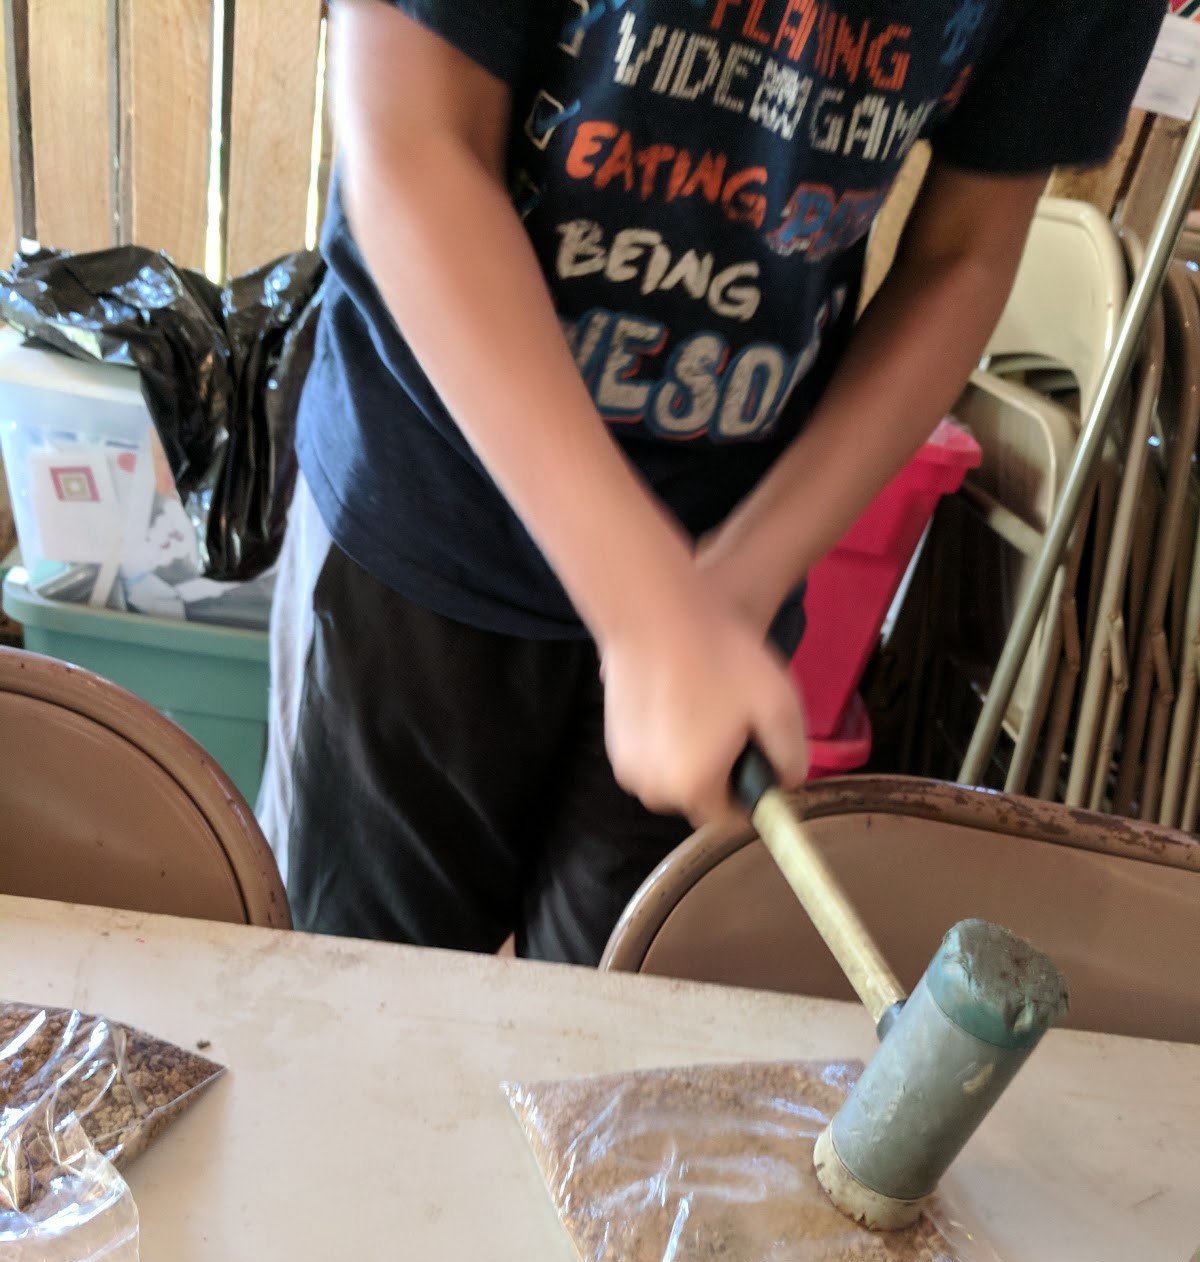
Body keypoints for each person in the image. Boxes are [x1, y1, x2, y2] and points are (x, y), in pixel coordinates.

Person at [258, 0, 1164, 964]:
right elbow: (414, 138)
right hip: (426, 511)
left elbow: (965, 252)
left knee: (622, 1020)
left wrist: (734, 589)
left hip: (730, 554)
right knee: (357, 996)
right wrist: (650, 608)